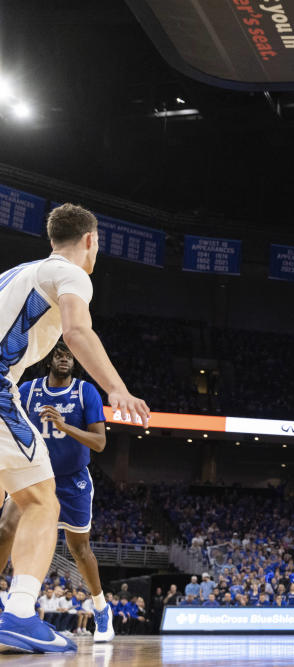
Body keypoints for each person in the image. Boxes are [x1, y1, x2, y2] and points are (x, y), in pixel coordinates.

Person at [0, 204, 149, 654]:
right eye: (98, 243)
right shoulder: (72, 274)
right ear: (90, 241)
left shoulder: (15, 273)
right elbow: (77, 331)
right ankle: (21, 612)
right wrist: (117, 388)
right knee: (41, 501)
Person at [0, 342, 114, 642]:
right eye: (59, 354)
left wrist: (65, 425)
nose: (65, 359)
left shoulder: (85, 391)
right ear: (49, 358)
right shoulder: (27, 390)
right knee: (5, 528)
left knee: (79, 550)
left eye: (69, 355)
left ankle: (101, 608)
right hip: (34, 476)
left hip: (71, 479)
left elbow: (99, 442)